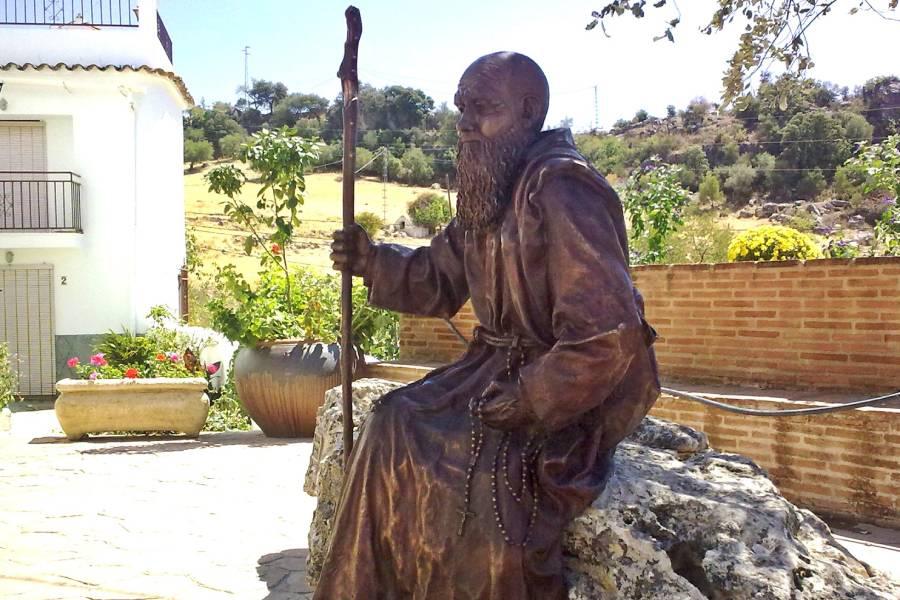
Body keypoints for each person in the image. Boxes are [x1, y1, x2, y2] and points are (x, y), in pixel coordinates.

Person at [316, 51, 660, 599]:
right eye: (460, 108)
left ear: (528, 112)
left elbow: (608, 333)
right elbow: (437, 276)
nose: (464, 122)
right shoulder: (487, 190)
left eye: (482, 107)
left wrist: (532, 395)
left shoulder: (563, 189)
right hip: (492, 365)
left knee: (488, 484)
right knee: (392, 419)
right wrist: (371, 260)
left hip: (567, 384)